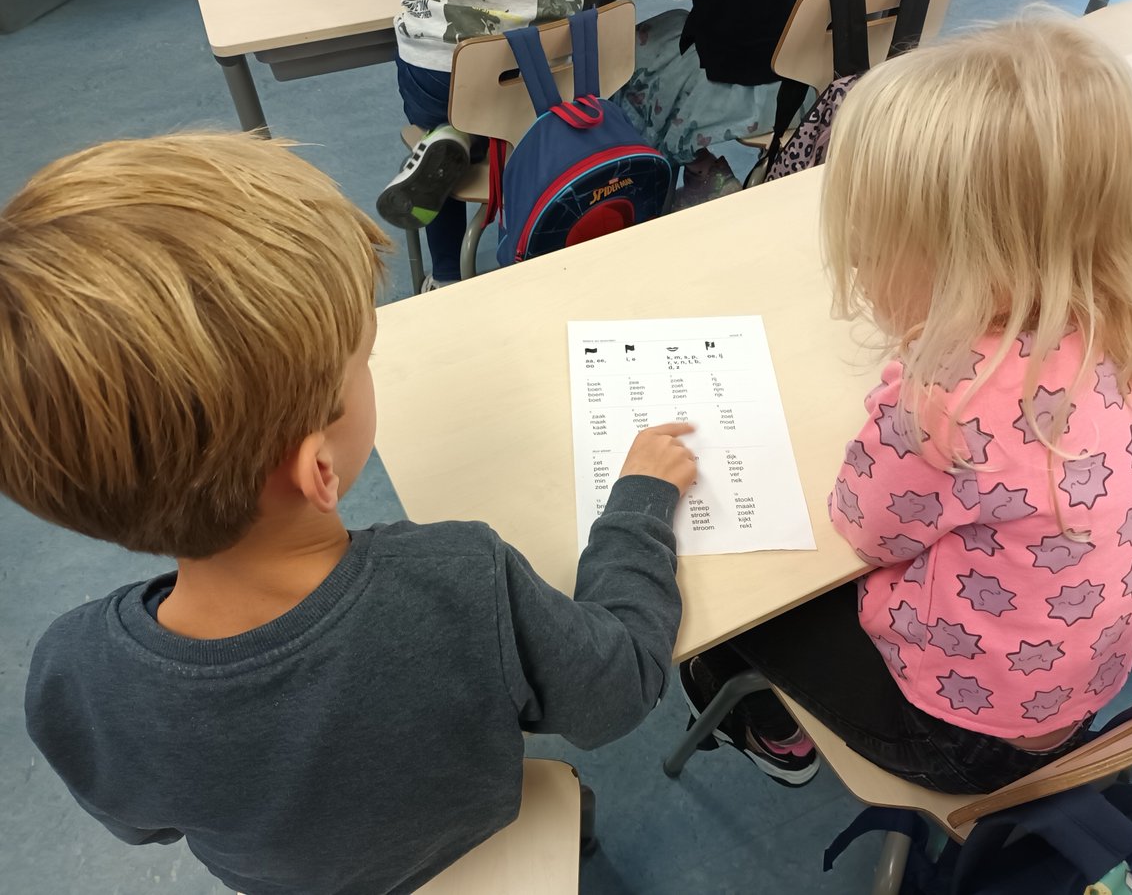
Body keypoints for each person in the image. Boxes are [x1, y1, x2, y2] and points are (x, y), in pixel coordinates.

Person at [4, 132, 697, 894]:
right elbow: (619, 688)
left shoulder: (75, 674)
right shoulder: (461, 579)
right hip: (483, 834)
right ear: (319, 469)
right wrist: (638, 508)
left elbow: (142, 823)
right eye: (364, 359)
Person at [680, 16, 1132, 795]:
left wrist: (910, 377)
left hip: (953, 737)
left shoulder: (950, 404)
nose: (856, 257)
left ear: (966, 261)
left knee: (727, 590)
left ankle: (763, 721)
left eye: (877, 238)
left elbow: (861, 521)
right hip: (1082, 699)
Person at [377, 0, 592, 291]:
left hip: (439, 65)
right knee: (522, 131)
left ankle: (446, 277)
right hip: (544, 64)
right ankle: (520, 262)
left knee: (448, 124)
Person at [617, 0, 800, 208]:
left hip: (732, 91)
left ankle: (702, 171)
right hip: (811, 88)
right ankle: (770, 162)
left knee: (623, 55)